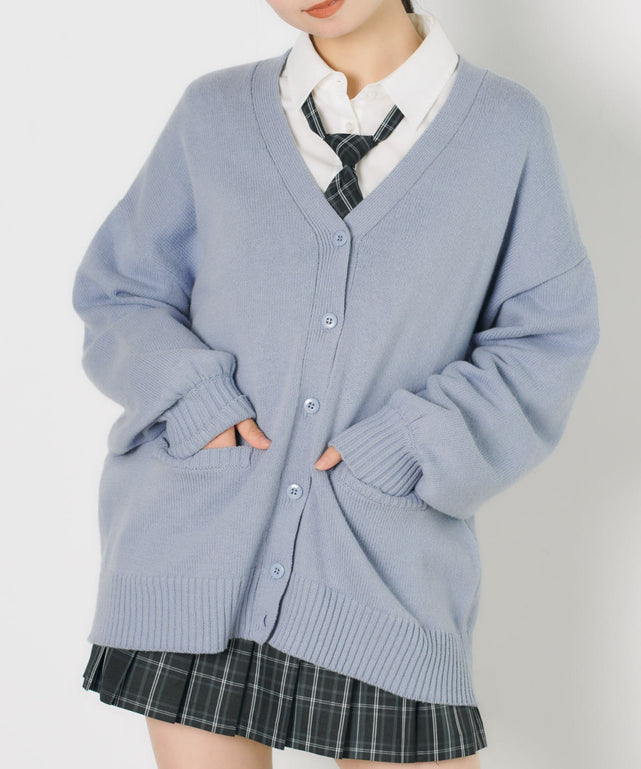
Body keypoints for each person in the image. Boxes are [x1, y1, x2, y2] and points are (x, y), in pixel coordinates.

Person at [74, 0, 600, 767]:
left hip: (382, 572)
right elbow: (123, 291)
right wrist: (198, 403)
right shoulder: (214, 113)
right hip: (196, 556)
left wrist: (410, 443)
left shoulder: (503, 130)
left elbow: (544, 340)